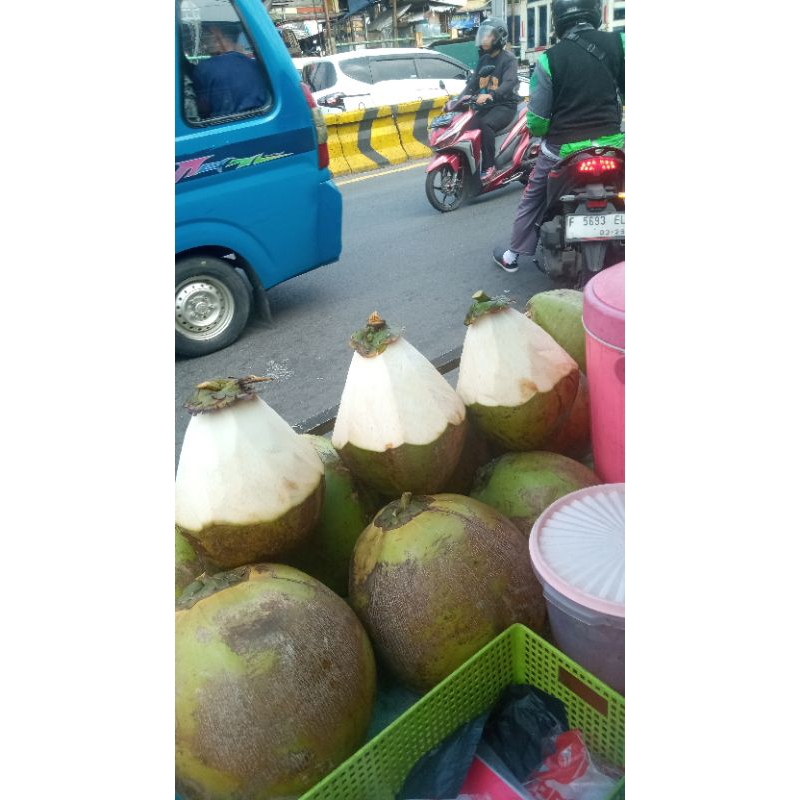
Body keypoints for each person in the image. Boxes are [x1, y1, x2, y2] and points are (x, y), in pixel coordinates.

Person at [492, 0, 624, 273]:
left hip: (563, 149)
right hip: (613, 144)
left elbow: (538, 121)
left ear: (558, 19)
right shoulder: (620, 43)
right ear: (595, 12)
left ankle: (512, 255)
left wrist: (544, 130)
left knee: (533, 197)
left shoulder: (548, 59)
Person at [457, 19, 520, 182]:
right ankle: (468, 168)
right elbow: (472, 84)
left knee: (486, 124)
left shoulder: (509, 59)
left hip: (505, 105)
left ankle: (489, 167)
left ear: (499, 38)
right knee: (465, 126)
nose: (484, 39)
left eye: (488, 36)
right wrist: (455, 101)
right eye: (483, 36)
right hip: (486, 106)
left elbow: (509, 83)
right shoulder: (484, 60)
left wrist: (491, 95)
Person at [193, 25, 268, 120]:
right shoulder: (257, 65)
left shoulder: (204, 68)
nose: (204, 45)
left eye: (205, 38)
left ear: (216, 35)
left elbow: (201, 110)